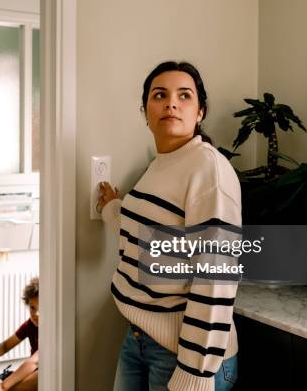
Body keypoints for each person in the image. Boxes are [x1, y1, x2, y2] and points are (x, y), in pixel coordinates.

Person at [97, 61, 242, 391]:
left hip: (186, 355)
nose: (171, 103)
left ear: (200, 112)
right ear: (145, 111)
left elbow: (216, 278)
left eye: (184, 96)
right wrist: (113, 209)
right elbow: (150, 235)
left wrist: (195, 374)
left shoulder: (208, 171)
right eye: (159, 95)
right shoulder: (162, 165)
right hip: (139, 339)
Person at [0, 277, 39, 391]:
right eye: (32, 307)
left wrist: (2, 386)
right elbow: (5, 345)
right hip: (32, 373)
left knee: (40, 376)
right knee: (23, 376)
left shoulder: (53, 330)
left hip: (44, 373)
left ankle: (1, 385)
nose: (36, 314)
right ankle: (3, 385)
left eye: (42, 308)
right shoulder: (30, 325)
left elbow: (34, 362)